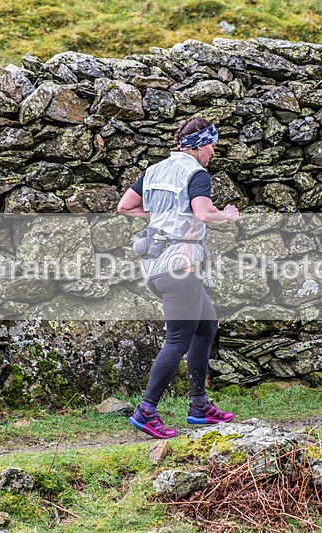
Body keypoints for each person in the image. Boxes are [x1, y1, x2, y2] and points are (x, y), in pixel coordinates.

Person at [117, 116, 240, 439]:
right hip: (179, 268)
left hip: (157, 265)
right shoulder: (196, 173)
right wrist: (227, 216)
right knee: (177, 340)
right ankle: (146, 410)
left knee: (206, 325)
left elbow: (125, 206)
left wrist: (162, 217)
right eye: (211, 145)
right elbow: (203, 213)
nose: (213, 152)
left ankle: (199, 406)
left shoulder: (154, 170)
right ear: (199, 146)